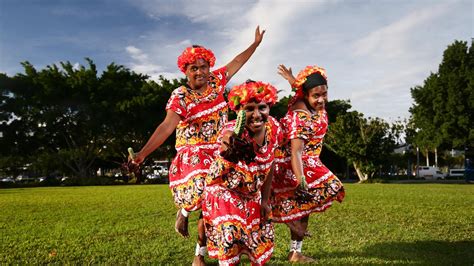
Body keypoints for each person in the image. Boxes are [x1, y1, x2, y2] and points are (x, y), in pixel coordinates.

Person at [129, 26, 266, 266]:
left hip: (220, 150)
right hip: (192, 154)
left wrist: (255, 44)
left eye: (204, 67)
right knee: (207, 186)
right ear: (186, 71)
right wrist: (142, 153)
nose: (200, 72)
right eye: (194, 68)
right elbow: (165, 127)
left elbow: (237, 61)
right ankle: (183, 213)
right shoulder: (180, 96)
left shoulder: (217, 81)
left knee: (216, 202)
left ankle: (199, 255)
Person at [271, 64, 345, 263]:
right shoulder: (300, 116)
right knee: (329, 187)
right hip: (292, 164)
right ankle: (289, 224)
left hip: (310, 160)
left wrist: (292, 79)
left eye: (324, 94)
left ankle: (295, 252)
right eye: (316, 96)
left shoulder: (313, 101)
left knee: (306, 207)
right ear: (306, 96)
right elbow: (295, 151)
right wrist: (301, 179)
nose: (321, 99)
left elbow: (300, 87)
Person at [202, 80, 281, 265]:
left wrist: (265, 200)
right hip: (224, 192)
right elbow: (227, 138)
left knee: (257, 245)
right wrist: (232, 141)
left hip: (251, 195)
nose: (256, 114)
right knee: (230, 238)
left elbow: (269, 166)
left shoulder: (274, 129)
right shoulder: (230, 130)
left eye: (262, 107)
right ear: (238, 111)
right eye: (249, 108)